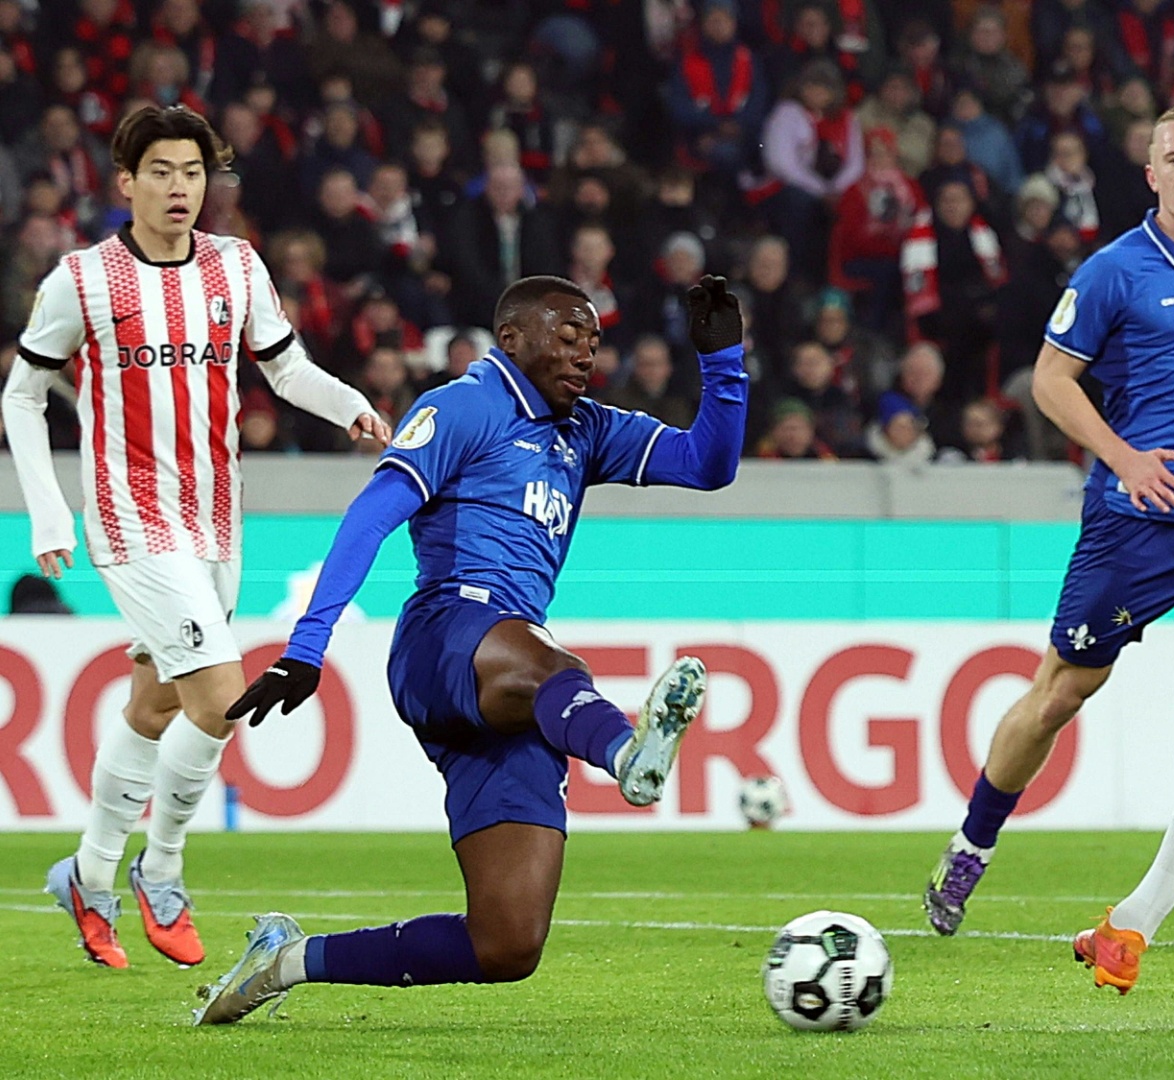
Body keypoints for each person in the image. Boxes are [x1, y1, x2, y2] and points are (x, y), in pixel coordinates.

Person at [193, 273, 748, 1024]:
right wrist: (306, 646)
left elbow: (708, 466)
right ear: (512, 338)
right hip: (446, 636)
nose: (585, 354)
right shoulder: (463, 406)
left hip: (511, 694)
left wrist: (722, 362)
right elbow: (370, 516)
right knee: (554, 663)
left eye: (592, 341)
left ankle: (286, 959)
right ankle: (625, 754)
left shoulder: (585, 429)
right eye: (567, 335)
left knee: (507, 944)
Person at [920, 105, 1174, 965]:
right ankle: (971, 847)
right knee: (1061, 694)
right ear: (1150, 175)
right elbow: (1048, 381)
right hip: (1132, 527)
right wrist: (1124, 456)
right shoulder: (1114, 271)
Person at [5, 105, 384, 970]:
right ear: (126, 182)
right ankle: (161, 870)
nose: (181, 188)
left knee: (158, 702)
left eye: (194, 173)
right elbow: (21, 396)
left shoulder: (236, 265)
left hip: (215, 514)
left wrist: (352, 405)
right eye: (163, 172)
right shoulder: (83, 280)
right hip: (128, 514)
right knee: (220, 698)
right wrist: (47, 509)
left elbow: (284, 367)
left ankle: (88, 871)